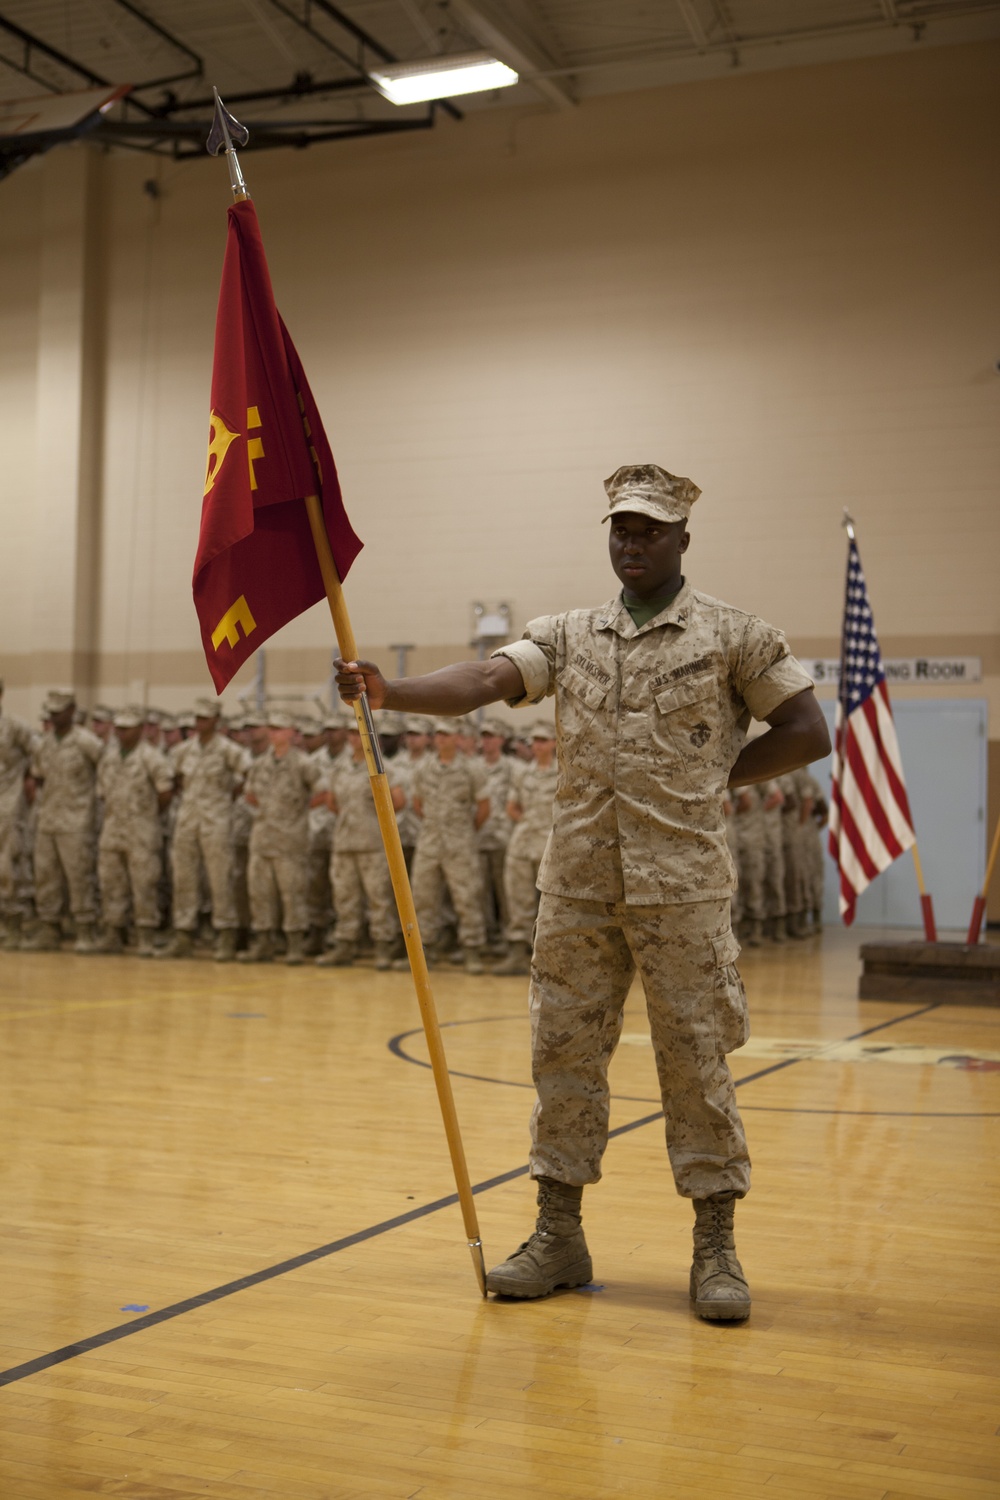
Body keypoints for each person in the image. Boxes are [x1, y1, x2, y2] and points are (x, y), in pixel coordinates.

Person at [335, 463, 830, 1321]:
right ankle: (558, 1235)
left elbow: (805, 730)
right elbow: (489, 681)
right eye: (619, 528)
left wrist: (717, 776)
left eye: (647, 529)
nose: (630, 542)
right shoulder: (568, 635)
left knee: (697, 1067)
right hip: (578, 890)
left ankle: (715, 1248)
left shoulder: (732, 635)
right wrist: (395, 692)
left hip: (683, 895)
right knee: (563, 1060)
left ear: (682, 538)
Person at [160, 697, 248, 961]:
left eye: (204, 718)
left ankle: (225, 935)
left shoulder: (228, 750)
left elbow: (246, 775)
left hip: (216, 822)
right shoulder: (183, 751)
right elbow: (172, 778)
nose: (199, 723)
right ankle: (184, 934)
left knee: (220, 879)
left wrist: (227, 799)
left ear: (216, 720)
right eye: (196, 718)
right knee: (184, 878)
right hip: (188, 820)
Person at [23, 690, 104, 952]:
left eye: (59, 712)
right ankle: (49, 927)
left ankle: (85, 928)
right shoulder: (43, 744)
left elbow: (106, 773)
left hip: (77, 822)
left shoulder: (87, 742)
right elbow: (39, 777)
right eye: (52, 713)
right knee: (46, 875)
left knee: (79, 876)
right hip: (48, 820)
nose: (55, 717)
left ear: (71, 711)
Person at [93, 709, 174, 955]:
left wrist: (147, 816)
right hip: (113, 831)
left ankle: (146, 937)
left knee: (144, 885)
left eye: (127, 728)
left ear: (140, 729)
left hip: (142, 833)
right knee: (111, 884)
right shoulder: (109, 758)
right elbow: (103, 793)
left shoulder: (152, 758)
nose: (121, 733)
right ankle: (114, 934)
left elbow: (165, 793)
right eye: (118, 728)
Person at [494, 720, 558, 975]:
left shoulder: (562, 771)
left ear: (554, 743)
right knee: (518, 899)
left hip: (550, 844)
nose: (537, 745)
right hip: (522, 843)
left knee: (550, 904)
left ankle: (550, 958)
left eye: (543, 740)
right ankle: (518, 953)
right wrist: (529, 822)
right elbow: (512, 806)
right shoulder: (523, 773)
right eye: (535, 741)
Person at [0, 678, 38, 951]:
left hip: (8, 804)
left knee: (8, 865)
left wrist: (29, 778)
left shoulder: (14, 726)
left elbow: (41, 753)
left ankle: (11, 925)